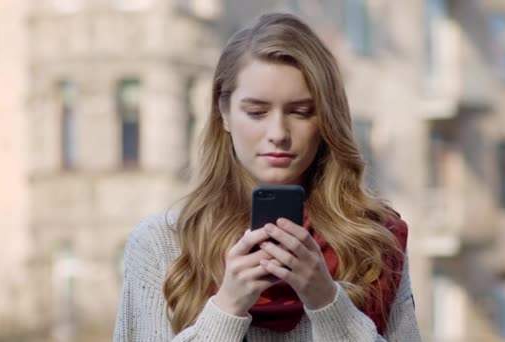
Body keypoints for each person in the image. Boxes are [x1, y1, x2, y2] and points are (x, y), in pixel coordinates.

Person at [114, 12, 421, 342]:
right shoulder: (161, 246)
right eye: (257, 112)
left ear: (326, 121)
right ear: (225, 113)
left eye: (301, 112)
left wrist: (327, 301)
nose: (278, 133)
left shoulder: (374, 242)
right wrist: (227, 307)